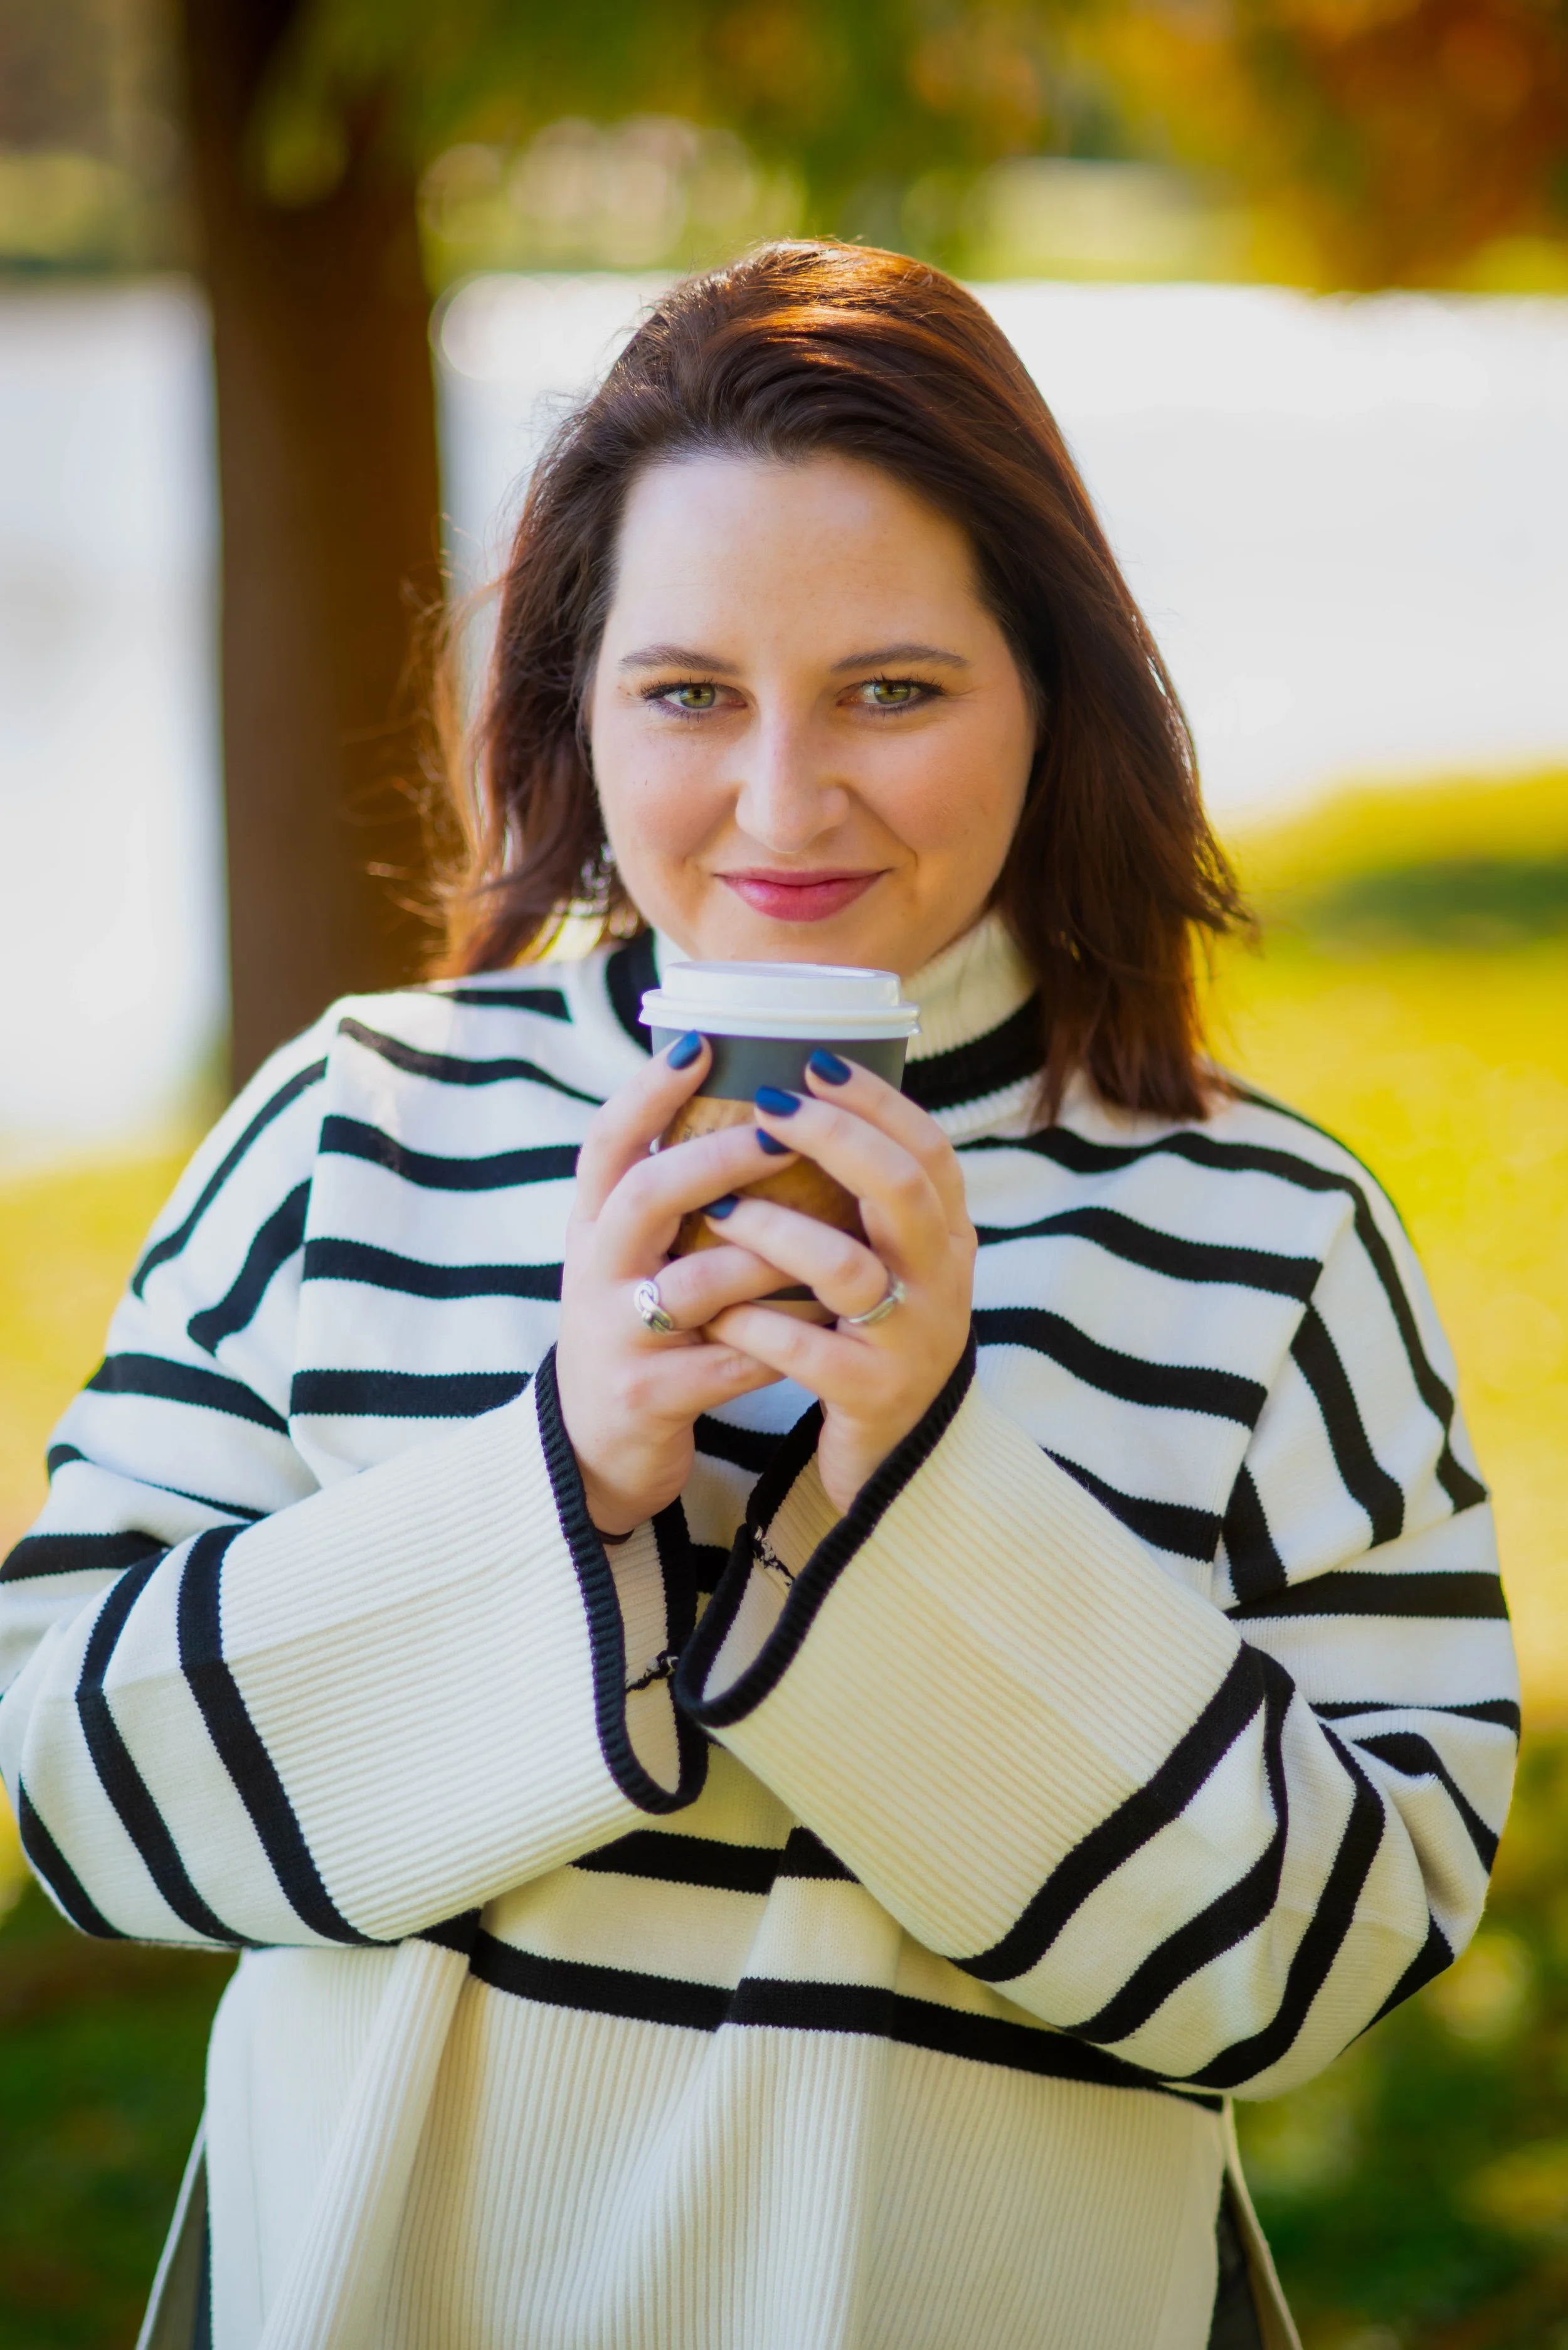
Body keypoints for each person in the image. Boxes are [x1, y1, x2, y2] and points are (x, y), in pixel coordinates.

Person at [0, 243, 1517, 2350]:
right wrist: (566, 1468)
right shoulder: (351, 1127)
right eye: (690, 693)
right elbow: (85, 1792)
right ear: (573, 705)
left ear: (1051, 696)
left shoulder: (1267, 1235)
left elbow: (1323, 1959)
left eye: (892, 690)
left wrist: (922, 1497)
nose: (782, 806)